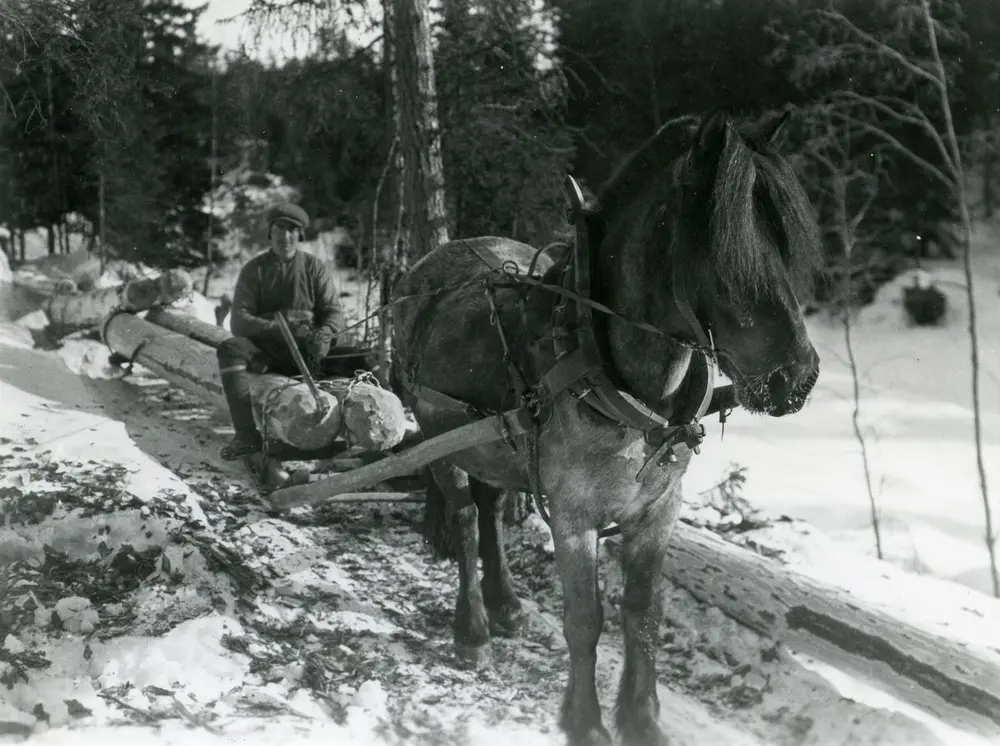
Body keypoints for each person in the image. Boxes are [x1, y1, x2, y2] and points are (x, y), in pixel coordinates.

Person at [216, 202, 344, 460]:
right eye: (279, 229)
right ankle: (246, 436)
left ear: (300, 235)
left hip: (308, 348)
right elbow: (239, 321)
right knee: (230, 349)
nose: (285, 237)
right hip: (267, 349)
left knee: (362, 357)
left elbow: (333, 311)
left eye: (292, 230)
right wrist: (275, 328)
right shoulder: (255, 270)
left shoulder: (313, 267)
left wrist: (326, 333)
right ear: (270, 233)